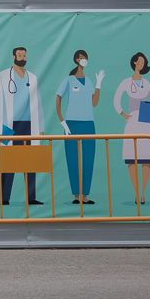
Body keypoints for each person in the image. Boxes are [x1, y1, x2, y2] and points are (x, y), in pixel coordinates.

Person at [0, 45, 44, 206]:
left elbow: (38, 104)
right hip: (10, 126)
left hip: (30, 125)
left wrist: (40, 128)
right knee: (8, 162)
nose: (22, 58)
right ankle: (4, 198)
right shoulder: (1, 76)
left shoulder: (32, 77)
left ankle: (31, 197)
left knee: (30, 161)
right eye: (19, 55)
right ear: (14, 56)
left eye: (24, 55)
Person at [54, 49, 105, 204]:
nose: (84, 61)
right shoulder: (69, 80)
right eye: (82, 58)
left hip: (88, 123)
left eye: (86, 58)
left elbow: (94, 103)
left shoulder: (89, 81)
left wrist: (98, 84)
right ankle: (76, 194)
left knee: (88, 159)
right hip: (71, 124)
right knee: (72, 159)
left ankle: (85, 195)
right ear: (77, 59)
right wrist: (62, 121)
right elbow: (58, 99)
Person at [113, 52, 150, 205]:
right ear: (134, 63)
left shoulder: (147, 83)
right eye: (139, 62)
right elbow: (116, 99)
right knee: (132, 159)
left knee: (146, 159)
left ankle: (143, 193)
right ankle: (136, 192)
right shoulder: (126, 82)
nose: (141, 64)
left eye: (143, 62)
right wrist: (123, 114)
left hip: (145, 120)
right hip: (132, 120)